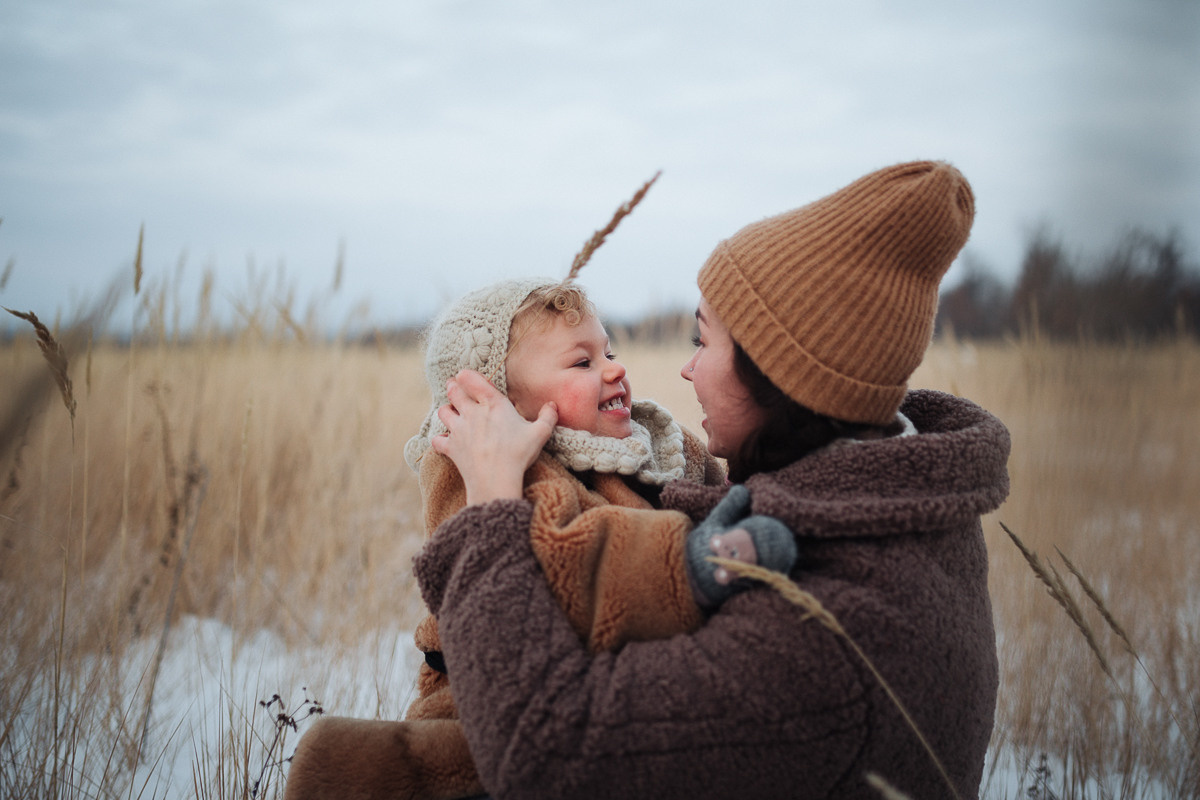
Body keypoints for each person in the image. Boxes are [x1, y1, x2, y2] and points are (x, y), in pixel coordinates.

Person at [405, 161, 1011, 800]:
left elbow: (547, 760)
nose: (686, 370)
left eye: (704, 339)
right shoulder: (875, 500)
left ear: (780, 373)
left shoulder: (832, 641)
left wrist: (493, 505)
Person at [283, 277, 796, 800]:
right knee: (443, 774)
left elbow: (707, 492)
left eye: (609, 351)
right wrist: (691, 559)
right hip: (489, 691)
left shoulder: (651, 445)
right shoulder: (478, 463)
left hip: (606, 680)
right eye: (583, 363)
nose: (615, 369)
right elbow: (566, 555)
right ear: (498, 403)